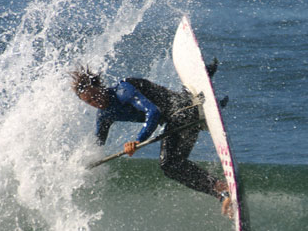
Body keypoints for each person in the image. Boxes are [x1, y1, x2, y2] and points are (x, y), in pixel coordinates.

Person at [71, 62, 233, 216]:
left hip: (181, 113)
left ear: (100, 86)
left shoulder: (123, 90)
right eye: (89, 101)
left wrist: (138, 140)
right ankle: (223, 192)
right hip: (176, 120)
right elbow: (97, 146)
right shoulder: (104, 115)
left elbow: (153, 112)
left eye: (94, 95)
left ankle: (222, 191)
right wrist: (80, 166)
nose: (95, 102)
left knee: (169, 164)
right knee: (173, 164)